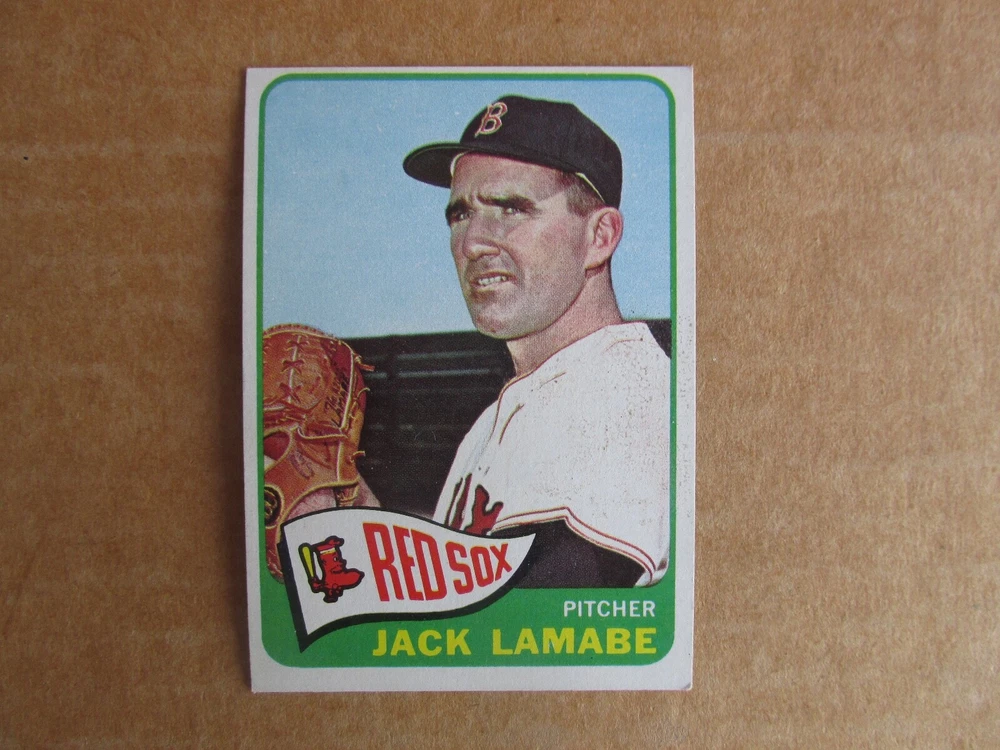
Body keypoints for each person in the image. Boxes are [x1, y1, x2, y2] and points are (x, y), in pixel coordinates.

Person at [380, 95, 671, 587]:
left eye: (511, 209)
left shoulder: (627, 392)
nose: (472, 242)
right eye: (459, 215)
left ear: (599, 237)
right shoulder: (490, 424)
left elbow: (543, 614)